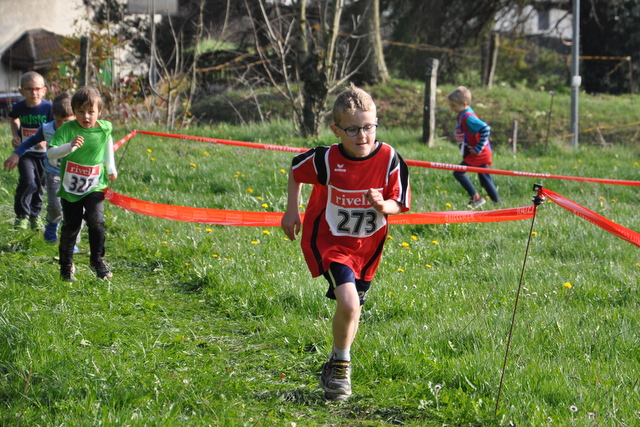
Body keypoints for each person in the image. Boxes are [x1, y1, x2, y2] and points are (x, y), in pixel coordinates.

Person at [281, 84, 411, 401]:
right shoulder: (327, 159)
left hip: (367, 248)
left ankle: (336, 361)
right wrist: (291, 210)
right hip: (331, 241)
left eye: (369, 127)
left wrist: (383, 205)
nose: (362, 136)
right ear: (336, 130)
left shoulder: (389, 158)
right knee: (350, 304)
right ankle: (342, 367)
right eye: (352, 129)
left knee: (354, 309)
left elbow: (400, 202)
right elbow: (296, 170)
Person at [48, 86, 117, 281]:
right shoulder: (67, 129)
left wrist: (111, 167)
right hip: (71, 187)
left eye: (90, 112)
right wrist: (69, 146)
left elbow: (107, 142)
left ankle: (97, 260)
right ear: (74, 111)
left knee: (96, 220)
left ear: (99, 112)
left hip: (95, 184)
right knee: (71, 226)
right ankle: (66, 265)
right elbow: (51, 154)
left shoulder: (104, 127)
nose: (86, 116)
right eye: (80, 111)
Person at [4, 93, 80, 248]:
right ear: (54, 117)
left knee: (75, 208)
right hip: (53, 172)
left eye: (66, 121)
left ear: (74, 117)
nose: (61, 125)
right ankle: (52, 225)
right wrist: (16, 154)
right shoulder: (47, 128)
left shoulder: (81, 130)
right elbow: (30, 141)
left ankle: (71, 241)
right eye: (58, 120)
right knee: (56, 206)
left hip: (75, 173)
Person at [8, 71, 53, 230]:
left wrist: (47, 142)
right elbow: (13, 118)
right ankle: (22, 216)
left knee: (39, 186)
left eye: (37, 89)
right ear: (21, 91)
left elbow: (57, 128)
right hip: (25, 153)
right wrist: (15, 134)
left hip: (44, 155)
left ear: (44, 90)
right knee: (28, 182)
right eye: (29, 89)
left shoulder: (49, 108)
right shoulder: (19, 107)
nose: (34, 93)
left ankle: (35, 216)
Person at [447, 86, 501, 208]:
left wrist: (477, 148)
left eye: (453, 105)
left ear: (464, 104)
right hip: (479, 152)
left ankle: (476, 197)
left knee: (458, 173)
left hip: (479, 153)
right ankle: (499, 204)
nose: (451, 107)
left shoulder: (468, 117)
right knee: (485, 180)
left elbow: (485, 128)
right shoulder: (461, 114)